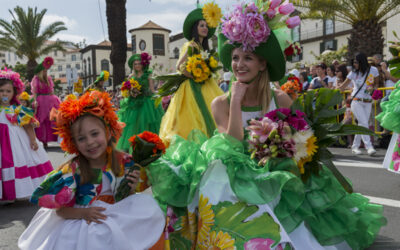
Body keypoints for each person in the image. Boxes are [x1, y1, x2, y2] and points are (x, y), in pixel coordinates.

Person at [147, 2, 386, 249]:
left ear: (262, 64)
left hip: (275, 170)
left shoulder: (279, 98)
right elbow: (229, 145)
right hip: (239, 172)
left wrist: (284, 148)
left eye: (247, 58)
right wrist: (236, 101)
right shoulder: (221, 103)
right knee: (216, 173)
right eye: (235, 58)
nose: (239, 64)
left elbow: (301, 139)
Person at [18, 91, 165, 250]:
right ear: (73, 142)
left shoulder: (123, 162)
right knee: (94, 239)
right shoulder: (73, 170)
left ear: (108, 132)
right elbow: (60, 211)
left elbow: (126, 200)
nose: (90, 142)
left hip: (116, 215)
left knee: (149, 211)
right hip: (83, 220)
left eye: (95, 134)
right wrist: (84, 214)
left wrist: (131, 187)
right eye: (81, 138)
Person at [158, 3, 223, 145]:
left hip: (205, 85)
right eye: (201, 25)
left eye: (206, 26)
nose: (205, 28)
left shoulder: (202, 48)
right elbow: (179, 66)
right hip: (191, 88)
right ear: (195, 28)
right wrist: (195, 76)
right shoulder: (191, 45)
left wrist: (205, 73)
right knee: (193, 117)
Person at [0, 69, 53, 203]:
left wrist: (33, 140)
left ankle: (17, 191)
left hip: (16, 144)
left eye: (8, 91)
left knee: (17, 163)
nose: (4, 94)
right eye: (1, 91)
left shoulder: (16, 109)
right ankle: (5, 193)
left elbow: (28, 125)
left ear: (14, 93)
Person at [117, 53, 164, 153]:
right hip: (134, 103)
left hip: (146, 102)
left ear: (143, 64)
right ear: (132, 66)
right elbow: (127, 90)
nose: (137, 65)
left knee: (146, 124)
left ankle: (149, 147)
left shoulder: (148, 75)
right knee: (133, 126)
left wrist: (160, 93)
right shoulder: (131, 76)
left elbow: (151, 90)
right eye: (135, 64)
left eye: (139, 63)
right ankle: (135, 148)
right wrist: (130, 92)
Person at [338, 52, 379, 155]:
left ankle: (355, 146)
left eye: (356, 62)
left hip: (368, 102)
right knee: (364, 123)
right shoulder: (353, 73)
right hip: (356, 101)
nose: (354, 64)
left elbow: (377, 83)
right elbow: (342, 87)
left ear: (362, 61)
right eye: (354, 62)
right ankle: (369, 146)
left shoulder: (373, 70)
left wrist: (373, 89)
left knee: (362, 124)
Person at [31, 57, 61, 147]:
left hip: (50, 101)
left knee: (52, 120)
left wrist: (55, 100)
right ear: (40, 71)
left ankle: (53, 138)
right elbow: (35, 92)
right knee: (42, 121)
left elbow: (51, 91)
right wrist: (35, 101)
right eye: (44, 70)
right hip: (41, 101)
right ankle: (44, 141)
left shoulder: (49, 79)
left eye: (46, 70)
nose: (45, 72)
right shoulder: (36, 79)